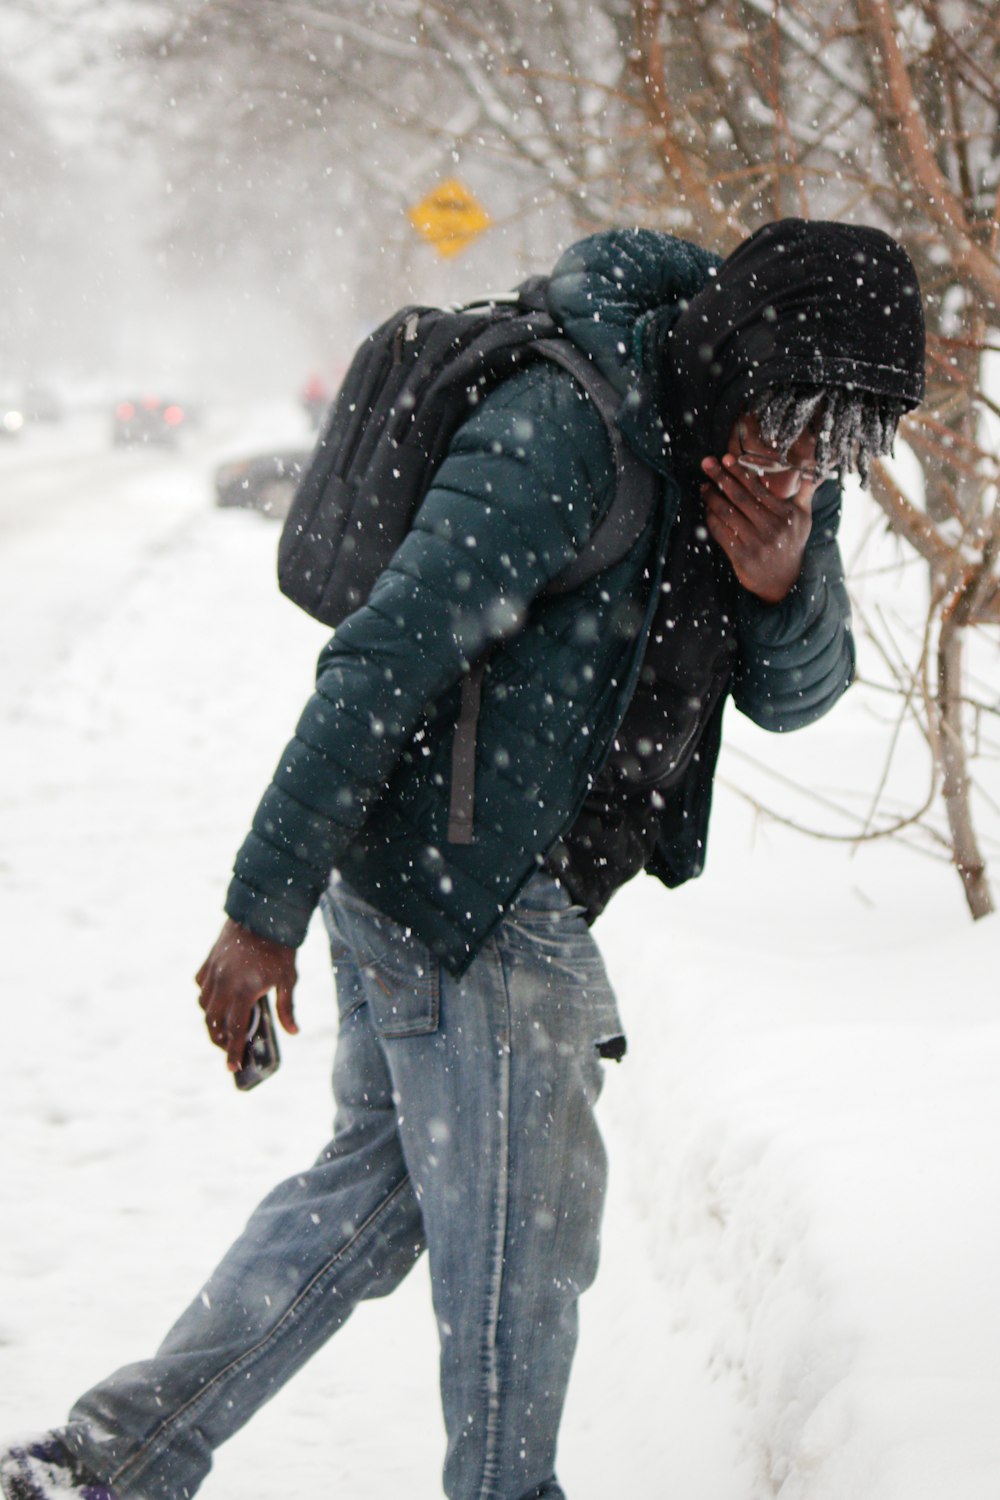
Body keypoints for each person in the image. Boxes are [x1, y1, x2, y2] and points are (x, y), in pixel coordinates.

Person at [1, 218, 925, 1500]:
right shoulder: (567, 429)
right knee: (523, 1254)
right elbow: (383, 662)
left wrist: (783, 586)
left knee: (372, 1209)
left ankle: (104, 1461)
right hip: (472, 887)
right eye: (803, 418)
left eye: (842, 441)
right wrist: (260, 908)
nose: (808, 457)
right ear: (744, 354)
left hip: (483, 880)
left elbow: (801, 698)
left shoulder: (768, 465)